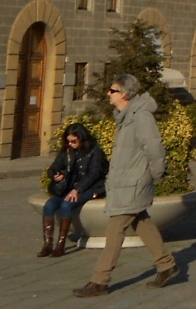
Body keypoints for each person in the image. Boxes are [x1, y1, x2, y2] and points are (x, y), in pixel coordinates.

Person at [73, 75, 179, 297]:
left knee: (115, 230)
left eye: (112, 90)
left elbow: (154, 147)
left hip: (133, 183)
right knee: (141, 221)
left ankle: (100, 280)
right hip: (125, 183)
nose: (108, 94)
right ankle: (166, 265)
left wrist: (155, 174)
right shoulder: (126, 117)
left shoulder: (141, 117)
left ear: (123, 94)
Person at [40, 122, 107, 257]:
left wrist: (77, 189)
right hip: (68, 186)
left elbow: (93, 174)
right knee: (49, 205)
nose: (70, 144)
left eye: (74, 141)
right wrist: (55, 175)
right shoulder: (66, 151)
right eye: (68, 141)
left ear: (81, 138)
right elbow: (54, 167)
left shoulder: (94, 151)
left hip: (89, 187)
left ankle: (61, 245)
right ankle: (47, 244)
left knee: (66, 205)